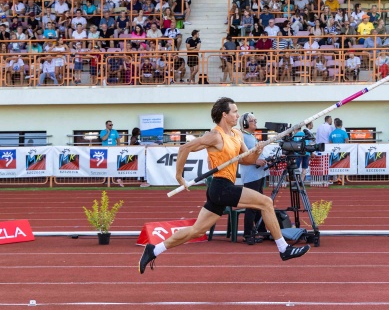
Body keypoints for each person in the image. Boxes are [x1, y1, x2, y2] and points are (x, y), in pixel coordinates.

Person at [139, 98, 310, 274]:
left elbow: (246, 160)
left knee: (197, 230)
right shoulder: (215, 136)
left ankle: (154, 249)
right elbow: (185, 148)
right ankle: (283, 248)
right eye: (234, 111)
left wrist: (257, 150)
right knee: (265, 202)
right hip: (220, 187)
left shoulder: (237, 135)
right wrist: (178, 175)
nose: (237, 114)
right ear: (224, 115)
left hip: (222, 188)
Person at [238, 112, 268, 245]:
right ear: (245, 123)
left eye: (255, 120)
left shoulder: (251, 136)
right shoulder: (243, 137)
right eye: (252, 120)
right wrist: (255, 162)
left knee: (260, 203)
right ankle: (248, 234)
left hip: (257, 175)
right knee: (251, 205)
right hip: (251, 176)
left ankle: (261, 230)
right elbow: (240, 158)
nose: (255, 122)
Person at [101, 120, 123, 186]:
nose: (111, 126)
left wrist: (118, 148)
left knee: (114, 164)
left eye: (112, 125)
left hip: (113, 150)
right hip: (105, 151)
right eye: (110, 125)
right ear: (106, 125)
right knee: (106, 164)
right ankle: (106, 179)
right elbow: (104, 139)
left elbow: (118, 140)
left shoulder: (115, 131)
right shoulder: (103, 131)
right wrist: (108, 132)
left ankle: (116, 179)